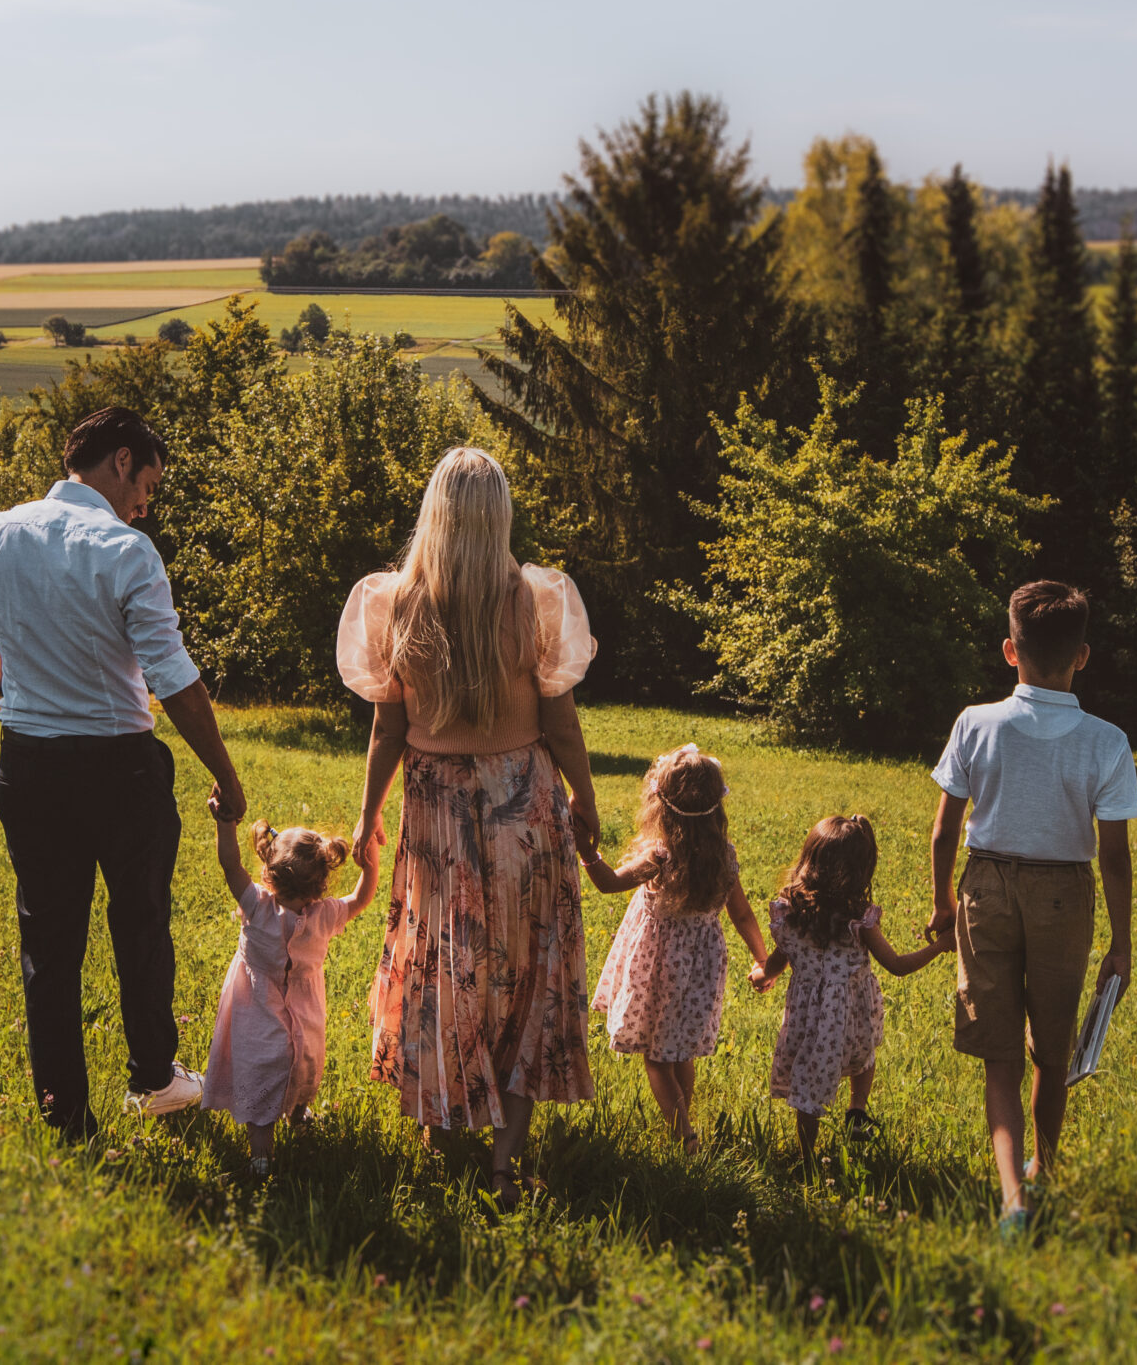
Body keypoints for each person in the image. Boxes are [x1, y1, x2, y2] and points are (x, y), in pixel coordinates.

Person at [0, 406, 250, 1142]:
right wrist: (226, 774)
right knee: (140, 922)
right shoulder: (128, 549)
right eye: (147, 482)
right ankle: (153, 1080)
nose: (148, 502)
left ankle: (64, 1110)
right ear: (119, 460)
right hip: (120, 770)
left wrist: (26, 687)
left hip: (29, 763)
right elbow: (172, 677)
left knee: (48, 939)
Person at [339, 446, 602, 1205]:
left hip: (436, 811)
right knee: (528, 979)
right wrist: (584, 801)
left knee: (445, 971)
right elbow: (562, 723)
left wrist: (367, 813)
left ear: (435, 515)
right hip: (524, 805)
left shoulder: (396, 603)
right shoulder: (536, 600)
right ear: (500, 517)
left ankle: (440, 1132)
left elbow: (388, 729)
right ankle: (505, 1162)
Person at [923, 580, 1137, 1239]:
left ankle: (1013, 1193)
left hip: (985, 888)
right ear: (1083, 655)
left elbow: (941, 831)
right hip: (1063, 895)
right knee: (1052, 1049)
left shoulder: (974, 722)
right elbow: (1115, 856)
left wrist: (940, 904)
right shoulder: (1106, 740)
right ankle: (1047, 1165)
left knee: (1001, 1058)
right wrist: (1121, 942)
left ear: (1010, 650)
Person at [582, 743, 770, 1152]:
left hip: (658, 964)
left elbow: (610, 882)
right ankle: (683, 1120)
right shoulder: (724, 855)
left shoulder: (661, 855)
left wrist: (587, 853)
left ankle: (684, 1136)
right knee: (679, 1050)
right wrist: (762, 958)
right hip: (702, 965)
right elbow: (742, 915)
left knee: (656, 1057)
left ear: (660, 806)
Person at [751, 814, 946, 1167]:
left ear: (809, 861)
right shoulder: (860, 919)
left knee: (809, 1082)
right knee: (863, 1056)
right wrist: (940, 947)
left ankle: (807, 1156)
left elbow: (781, 958)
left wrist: (762, 973)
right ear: (861, 871)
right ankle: (857, 1111)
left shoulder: (792, 914)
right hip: (853, 1014)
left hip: (810, 1021)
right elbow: (897, 966)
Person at [199, 805, 382, 1177]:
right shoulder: (326, 914)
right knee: (304, 1061)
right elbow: (361, 898)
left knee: (259, 1068)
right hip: (306, 1012)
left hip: (256, 1009)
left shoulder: (256, 906)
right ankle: (299, 1116)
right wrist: (370, 861)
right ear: (322, 882)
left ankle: (261, 1156)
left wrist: (225, 825)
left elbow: (230, 867)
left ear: (269, 873)